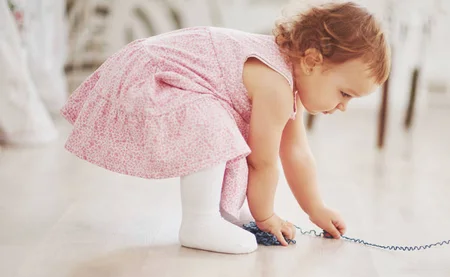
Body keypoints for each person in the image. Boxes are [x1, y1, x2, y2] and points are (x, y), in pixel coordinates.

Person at [61, 1, 391, 254]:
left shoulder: (288, 85)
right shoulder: (275, 86)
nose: (344, 106)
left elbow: (297, 153)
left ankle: (226, 215)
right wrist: (266, 217)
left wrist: (315, 208)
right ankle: (199, 221)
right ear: (312, 61)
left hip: (167, 76)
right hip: (151, 78)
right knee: (213, 126)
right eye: (344, 93)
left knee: (222, 128)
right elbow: (263, 161)